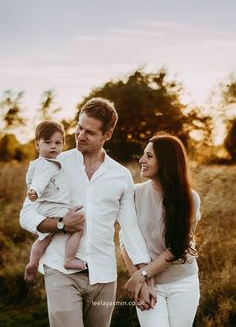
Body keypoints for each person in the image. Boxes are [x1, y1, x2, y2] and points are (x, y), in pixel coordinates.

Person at [20, 97, 151, 327]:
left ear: (107, 135)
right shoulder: (53, 163)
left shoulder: (121, 176)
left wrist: (144, 276)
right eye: (79, 127)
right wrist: (61, 223)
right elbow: (27, 215)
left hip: (104, 276)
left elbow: (130, 230)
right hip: (60, 269)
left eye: (89, 132)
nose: (80, 135)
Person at [121, 133, 201, 327]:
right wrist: (140, 280)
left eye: (149, 156)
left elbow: (177, 248)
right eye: (143, 154)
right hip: (148, 283)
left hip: (182, 283)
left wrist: (142, 275)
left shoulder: (189, 198)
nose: (142, 160)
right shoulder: (133, 194)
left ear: (166, 162)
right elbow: (126, 240)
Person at [24, 121, 86, 283]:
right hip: (55, 207)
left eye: (58, 143)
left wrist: (33, 190)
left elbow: (33, 179)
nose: (53, 147)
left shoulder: (40, 163)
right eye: (48, 142)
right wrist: (34, 191)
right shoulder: (47, 164)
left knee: (44, 239)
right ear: (37, 145)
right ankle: (69, 258)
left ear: (63, 144)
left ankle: (33, 262)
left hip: (44, 208)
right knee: (78, 228)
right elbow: (39, 180)